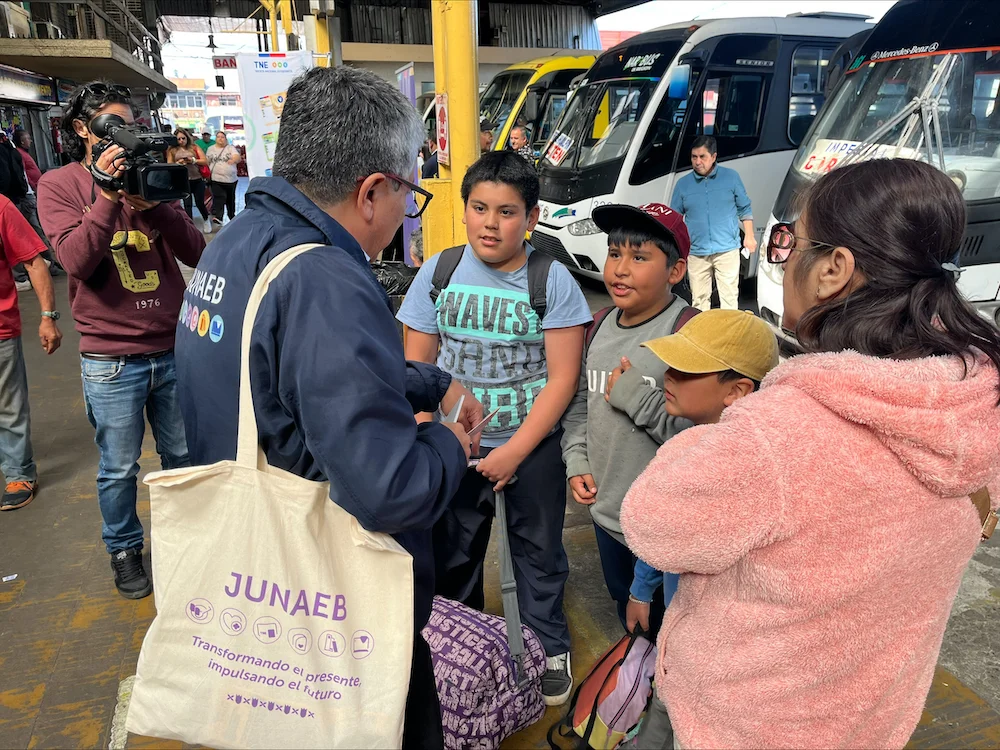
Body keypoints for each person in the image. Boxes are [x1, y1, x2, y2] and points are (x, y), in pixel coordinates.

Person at [621, 158, 1000, 750]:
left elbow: (652, 525)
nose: (783, 258)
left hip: (741, 725)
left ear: (833, 269)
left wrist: (724, 425)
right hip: (871, 718)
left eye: (788, 242)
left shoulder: (777, 432)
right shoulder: (974, 406)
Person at [174, 66, 481, 750]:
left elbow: (289, 372)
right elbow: (390, 491)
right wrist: (449, 447)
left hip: (250, 585)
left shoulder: (237, 243)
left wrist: (426, 384)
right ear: (374, 190)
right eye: (411, 193)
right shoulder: (325, 276)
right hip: (331, 616)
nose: (406, 211)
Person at [398, 151, 593, 706]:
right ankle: (453, 649)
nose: (490, 222)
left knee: (538, 553)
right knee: (453, 553)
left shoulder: (551, 281)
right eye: (479, 207)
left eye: (507, 212)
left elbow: (561, 380)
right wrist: (433, 436)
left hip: (529, 449)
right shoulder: (437, 273)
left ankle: (545, 645)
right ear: (463, 210)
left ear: (531, 218)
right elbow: (421, 374)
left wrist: (517, 451)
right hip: (453, 452)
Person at [37, 80, 205, 600]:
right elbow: (76, 262)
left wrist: (155, 204)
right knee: (118, 468)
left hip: (172, 346)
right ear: (83, 129)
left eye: (128, 122)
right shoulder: (59, 185)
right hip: (111, 359)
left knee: (183, 458)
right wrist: (108, 198)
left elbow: (197, 251)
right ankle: (125, 550)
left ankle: (187, 544)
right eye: (111, 123)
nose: (123, 133)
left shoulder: (148, 181)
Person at [620, 309, 778, 749]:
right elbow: (664, 540)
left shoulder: (747, 471)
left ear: (738, 390)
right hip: (677, 638)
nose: (668, 375)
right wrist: (639, 589)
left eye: (687, 369)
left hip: (718, 661)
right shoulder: (687, 443)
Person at [560, 202, 694, 637]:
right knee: (628, 614)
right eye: (615, 253)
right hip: (607, 515)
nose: (619, 269)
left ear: (675, 272)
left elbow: (701, 439)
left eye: (639, 258)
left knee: (672, 629)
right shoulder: (598, 326)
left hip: (663, 528)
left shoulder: (686, 335)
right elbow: (579, 403)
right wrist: (576, 459)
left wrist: (636, 397)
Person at [0, 194, 62, 511]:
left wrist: (48, 317)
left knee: (8, 406)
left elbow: (34, 262)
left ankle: (18, 472)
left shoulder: (1, 207)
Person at [669, 136, 754, 311]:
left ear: (714, 157)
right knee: (699, 301)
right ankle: (703, 336)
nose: (698, 161)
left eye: (702, 157)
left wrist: (750, 237)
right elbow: (675, 218)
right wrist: (677, 246)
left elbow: (744, 208)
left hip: (727, 249)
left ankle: (730, 336)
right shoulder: (683, 184)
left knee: (729, 298)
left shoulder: (731, 177)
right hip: (696, 251)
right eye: (694, 157)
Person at [167, 128, 211, 233]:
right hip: (183, 180)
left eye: (183, 138)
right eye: (179, 139)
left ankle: (206, 219)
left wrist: (193, 160)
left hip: (197, 179)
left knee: (200, 202)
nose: (181, 141)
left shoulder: (194, 147)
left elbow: (205, 161)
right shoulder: (172, 150)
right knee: (187, 204)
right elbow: (169, 165)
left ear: (187, 137)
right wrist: (178, 163)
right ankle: (190, 224)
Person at [206, 130, 241, 228]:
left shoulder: (230, 148)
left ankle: (231, 215)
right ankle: (219, 217)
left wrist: (233, 159)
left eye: (222, 137)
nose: (220, 139)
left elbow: (237, 157)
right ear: (215, 139)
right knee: (219, 197)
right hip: (216, 178)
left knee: (230, 199)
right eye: (218, 137)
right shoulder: (210, 149)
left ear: (225, 139)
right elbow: (207, 161)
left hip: (231, 180)